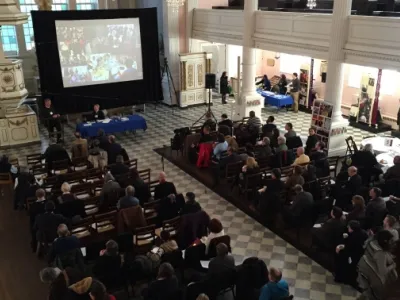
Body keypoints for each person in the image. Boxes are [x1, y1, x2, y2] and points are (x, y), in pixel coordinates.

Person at [358, 230, 397, 300]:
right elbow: (382, 271)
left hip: (364, 269)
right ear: (385, 241)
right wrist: (392, 266)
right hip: (373, 275)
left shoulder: (372, 243)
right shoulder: (380, 253)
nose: (392, 243)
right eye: (390, 241)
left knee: (367, 293)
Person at [334, 220, 368, 285]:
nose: (347, 227)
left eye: (349, 227)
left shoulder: (354, 237)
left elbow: (349, 247)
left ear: (352, 229)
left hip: (352, 255)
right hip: (360, 254)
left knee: (339, 255)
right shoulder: (363, 232)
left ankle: (339, 277)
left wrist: (339, 247)